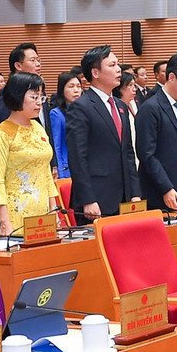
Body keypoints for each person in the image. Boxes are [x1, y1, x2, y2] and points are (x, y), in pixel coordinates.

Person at [66, 44, 139, 221]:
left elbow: (128, 152)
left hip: (124, 197)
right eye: (112, 65)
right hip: (96, 199)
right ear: (95, 73)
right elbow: (77, 157)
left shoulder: (121, 106)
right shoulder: (81, 107)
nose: (118, 69)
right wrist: (88, 198)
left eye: (118, 64)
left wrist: (135, 192)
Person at [0, 72, 59, 237]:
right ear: (18, 96)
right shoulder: (1, 134)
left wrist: (54, 209)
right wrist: (5, 221)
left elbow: (46, 174)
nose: (39, 103)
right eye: (34, 97)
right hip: (16, 214)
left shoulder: (38, 128)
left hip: (43, 212)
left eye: (41, 97)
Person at [136, 50, 177, 214]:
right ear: (171, 77)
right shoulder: (151, 108)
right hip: (160, 191)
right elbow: (146, 154)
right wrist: (166, 187)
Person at [48, 70, 80, 179]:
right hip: (67, 169)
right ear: (62, 90)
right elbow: (56, 145)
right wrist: (60, 172)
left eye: (78, 86)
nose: (76, 90)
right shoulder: (56, 114)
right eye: (71, 86)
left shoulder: (84, 111)